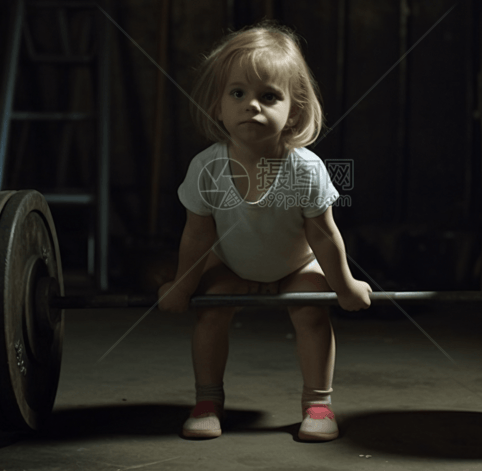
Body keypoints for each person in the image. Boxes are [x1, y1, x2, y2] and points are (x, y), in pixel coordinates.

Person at [157, 22, 372, 442]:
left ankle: (318, 404)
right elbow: (198, 236)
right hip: (233, 264)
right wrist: (182, 286)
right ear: (217, 106)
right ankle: (207, 401)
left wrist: (344, 285)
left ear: (293, 109)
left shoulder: (303, 169)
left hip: (294, 266)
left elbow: (324, 236)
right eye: (237, 94)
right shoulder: (210, 167)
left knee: (312, 308)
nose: (251, 106)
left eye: (269, 96)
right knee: (212, 308)